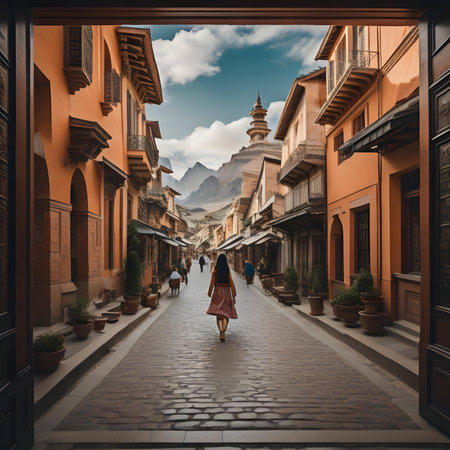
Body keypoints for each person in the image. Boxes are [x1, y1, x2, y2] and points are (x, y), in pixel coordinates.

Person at [207, 254, 237, 342]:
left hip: (217, 292)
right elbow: (231, 282)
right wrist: (234, 292)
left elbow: (212, 282)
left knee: (219, 314)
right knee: (225, 314)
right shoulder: (227, 271)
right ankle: (223, 332)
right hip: (227, 293)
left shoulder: (214, 271)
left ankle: (221, 332)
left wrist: (209, 292)